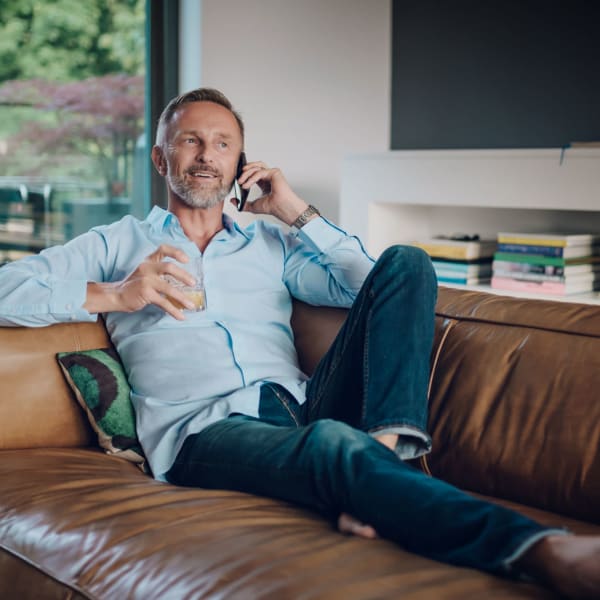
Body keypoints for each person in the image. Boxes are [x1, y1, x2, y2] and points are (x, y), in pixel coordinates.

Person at [0, 88, 598, 598]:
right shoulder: (116, 243)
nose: (207, 156)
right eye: (190, 141)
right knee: (333, 444)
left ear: (241, 162)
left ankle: (384, 457)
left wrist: (294, 210)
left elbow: (376, 287)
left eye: (223, 144)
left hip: (302, 403)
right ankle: (540, 550)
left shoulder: (271, 245)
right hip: (205, 431)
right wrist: (115, 295)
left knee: (409, 261)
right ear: (161, 156)